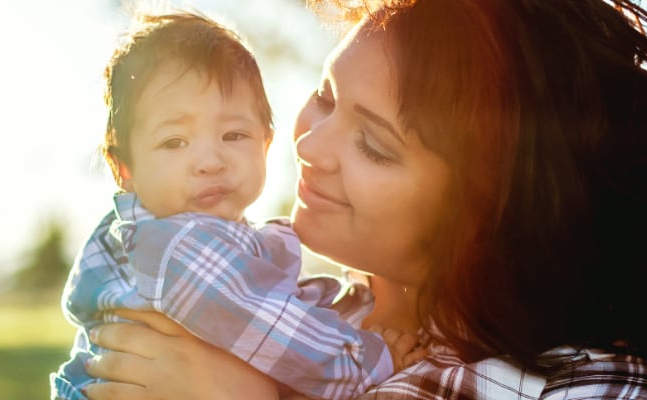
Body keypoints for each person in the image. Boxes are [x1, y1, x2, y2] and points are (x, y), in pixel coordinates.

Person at [78, 0, 647, 399]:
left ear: (484, 216)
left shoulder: (587, 382)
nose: (310, 144)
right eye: (326, 96)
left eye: (374, 146)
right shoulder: (312, 314)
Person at [49, 9, 424, 400]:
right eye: (174, 142)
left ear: (265, 143)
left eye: (233, 134)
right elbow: (271, 329)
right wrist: (368, 360)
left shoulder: (192, 235)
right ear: (124, 168)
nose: (210, 161)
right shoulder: (176, 245)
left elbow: (265, 300)